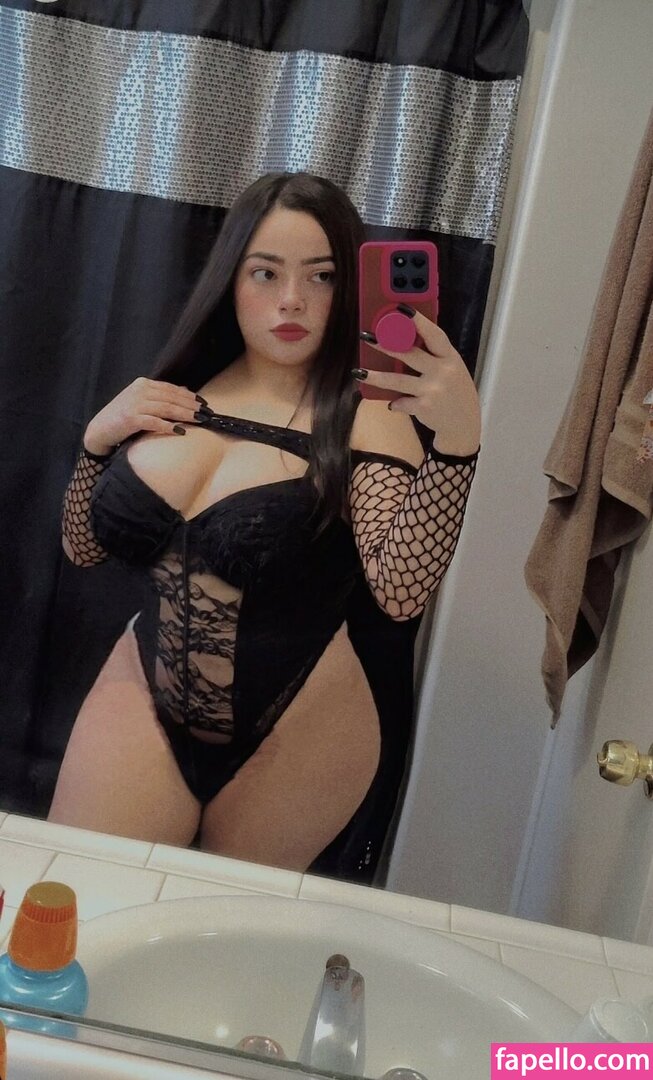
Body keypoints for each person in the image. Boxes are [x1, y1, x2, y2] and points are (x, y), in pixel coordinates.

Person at [49, 171, 480, 884]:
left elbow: (400, 594)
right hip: (143, 692)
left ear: (350, 289)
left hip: (300, 725)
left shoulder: (368, 417)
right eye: (266, 272)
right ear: (231, 278)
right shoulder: (177, 394)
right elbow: (82, 548)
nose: (291, 301)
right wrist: (96, 443)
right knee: (80, 899)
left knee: (229, 936)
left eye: (321, 276)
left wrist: (457, 446)